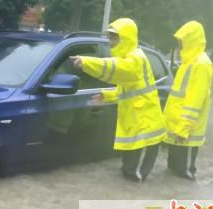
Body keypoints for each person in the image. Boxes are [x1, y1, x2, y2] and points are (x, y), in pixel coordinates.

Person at [70, 18, 166, 182]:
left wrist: (86, 62)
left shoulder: (136, 58)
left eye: (114, 37)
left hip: (144, 121)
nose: (110, 41)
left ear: (125, 38)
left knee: (136, 175)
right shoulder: (129, 57)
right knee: (128, 169)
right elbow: (126, 89)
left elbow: (115, 68)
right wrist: (107, 96)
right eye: (110, 37)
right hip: (136, 119)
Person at [163, 21, 213, 181]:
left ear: (191, 40)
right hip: (178, 125)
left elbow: (195, 101)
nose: (179, 46)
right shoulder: (189, 62)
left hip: (187, 130)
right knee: (173, 173)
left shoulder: (201, 64)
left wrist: (184, 129)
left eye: (181, 42)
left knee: (184, 176)